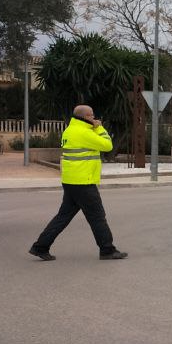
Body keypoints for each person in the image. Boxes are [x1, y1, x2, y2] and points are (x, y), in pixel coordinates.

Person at [29, 104, 127, 261]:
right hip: (83, 182)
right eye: (92, 116)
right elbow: (108, 145)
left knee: (63, 216)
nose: (94, 119)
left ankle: (40, 247)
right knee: (97, 216)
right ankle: (107, 250)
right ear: (85, 117)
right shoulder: (84, 133)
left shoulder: (70, 130)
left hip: (71, 181)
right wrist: (99, 128)